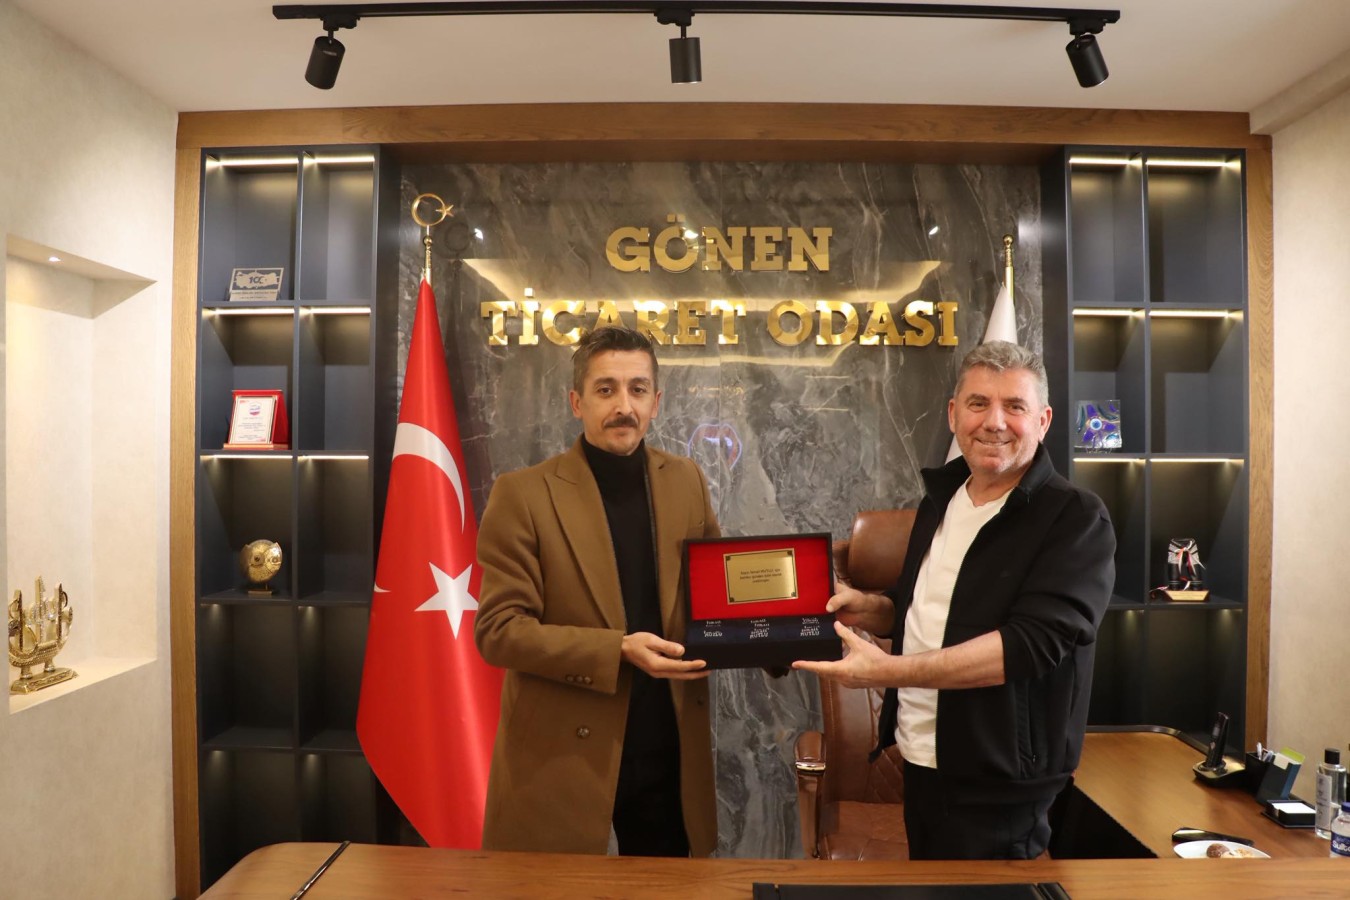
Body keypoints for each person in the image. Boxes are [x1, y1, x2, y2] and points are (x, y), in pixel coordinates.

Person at [794, 340, 1115, 860]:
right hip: (920, 761)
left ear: (1043, 421)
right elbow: (934, 606)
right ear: (952, 414)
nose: (995, 422)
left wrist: (887, 672)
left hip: (1000, 782)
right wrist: (874, 610)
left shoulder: (1075, 517)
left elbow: (1030, 645)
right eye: (978, 403)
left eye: (1014, 406)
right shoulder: (942, 500)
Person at [474, 325, 720, 857]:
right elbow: (498, 631)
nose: (623, 407)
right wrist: (618, 649)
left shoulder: (687, 480)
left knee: (666, 892)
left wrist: (791, 627)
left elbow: (717, 595)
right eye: (606, 390)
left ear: (656, 402)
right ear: (576, 402)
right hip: (561, 756)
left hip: (667, 749)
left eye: (637, 389)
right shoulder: (523, 494)